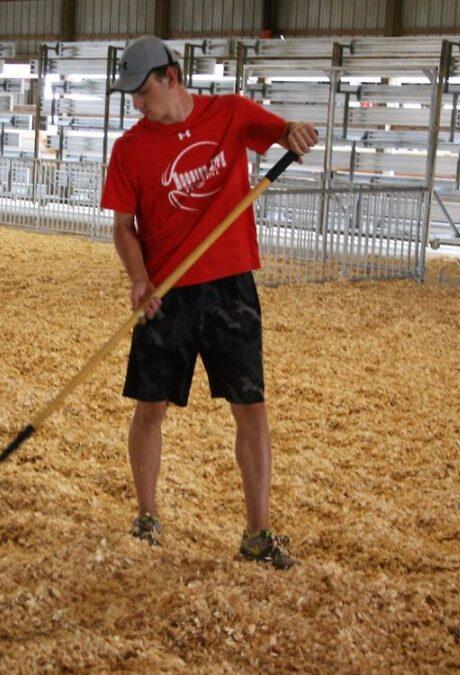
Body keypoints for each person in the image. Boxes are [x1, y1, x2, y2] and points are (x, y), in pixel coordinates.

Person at [100, 35, 318, 569]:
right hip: (165, 293)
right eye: (129, 93)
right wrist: (138, 279)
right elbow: (123, 229)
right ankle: (147, 517)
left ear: (170, 78)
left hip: (230, 287)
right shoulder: (130, 149)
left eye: (142, 91)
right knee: (149, 407)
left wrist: (295, 132)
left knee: (251, 409)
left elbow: (283, 133)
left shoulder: (230, 114)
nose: (136, 103)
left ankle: (258, 533)